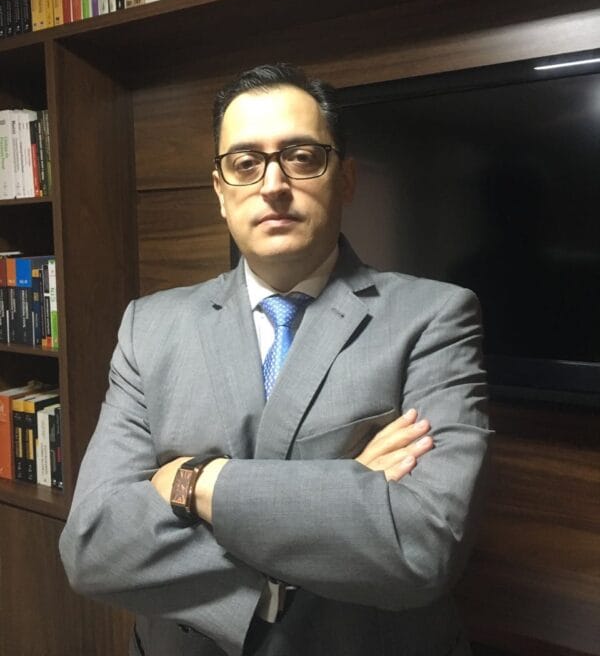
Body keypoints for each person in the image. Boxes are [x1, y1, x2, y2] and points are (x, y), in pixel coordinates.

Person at [59, 64, 491, 656]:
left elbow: (423, 548)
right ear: (220, 191)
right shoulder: (149, 326)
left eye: (302, 157)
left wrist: (194, 480)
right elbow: (92, 547)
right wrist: (347, 488)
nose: (273, 185)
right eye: (245, 163)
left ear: (346, 178)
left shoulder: (434, 316)